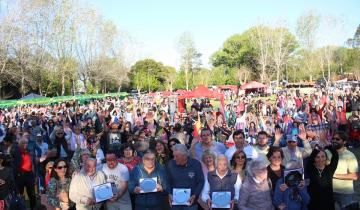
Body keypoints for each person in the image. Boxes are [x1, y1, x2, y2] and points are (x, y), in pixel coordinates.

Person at [167, 144, 204, 210]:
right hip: (175, 203)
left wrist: (195, 195)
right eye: (174, 156)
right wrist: (169, 193)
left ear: (184, 156)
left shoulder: (196, 164)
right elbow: (167, 181)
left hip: (190, 203)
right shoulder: (170, 164)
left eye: (176, 156)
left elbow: (201, 181)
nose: (174, 159)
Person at [331, 131, 358, 209]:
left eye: (337, 139)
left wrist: (334, 175)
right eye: (333, 139)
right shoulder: (328, 152)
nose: (334, 141)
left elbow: (354, 176)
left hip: (344, 193)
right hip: (328, 190)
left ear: (344, 141)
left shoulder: (350, 156)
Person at [307, 145, 339, 210]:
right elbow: (310, 159)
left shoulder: (330, 169)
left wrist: (327, 146)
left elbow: (335, 156)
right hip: (314, 203)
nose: (320, 159)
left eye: (323, 156)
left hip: (328, 203)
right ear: (314, 159)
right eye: (317, 157)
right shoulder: (311, 169)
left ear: (326, 158)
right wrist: (317, 147)